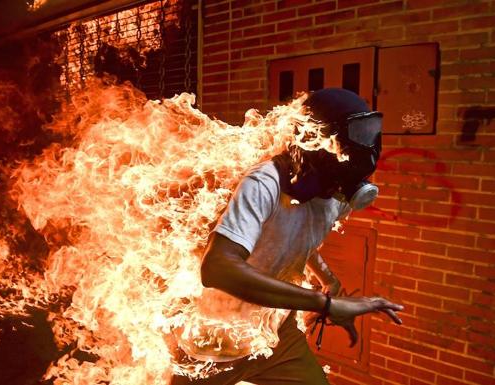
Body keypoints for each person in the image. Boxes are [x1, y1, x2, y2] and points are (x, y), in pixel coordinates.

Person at [171, 88, 403, 385]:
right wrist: (324, 304)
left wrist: (331, 284)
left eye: (372, 133)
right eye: (359, 134)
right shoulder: (263, 184)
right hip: (215, 343)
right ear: (315, 140)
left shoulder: (336, 194)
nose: (367, 148)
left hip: (276, 334)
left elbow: (298, 239)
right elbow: (218, 267)